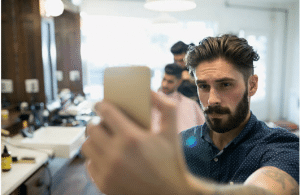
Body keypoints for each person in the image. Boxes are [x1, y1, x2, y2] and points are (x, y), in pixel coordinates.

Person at [82, 34, 299, 195]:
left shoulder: (281, 146)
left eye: (225, 84)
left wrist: (169, 185)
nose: (212, 98)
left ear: (252, 85)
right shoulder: (180, 144)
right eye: (203, 86)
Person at [152, 63, 205, 133]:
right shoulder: (151, 101)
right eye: (164, 79)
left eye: (170, 82)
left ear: (179, 82)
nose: (165, 84)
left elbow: (204, 130)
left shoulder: (191, 104)